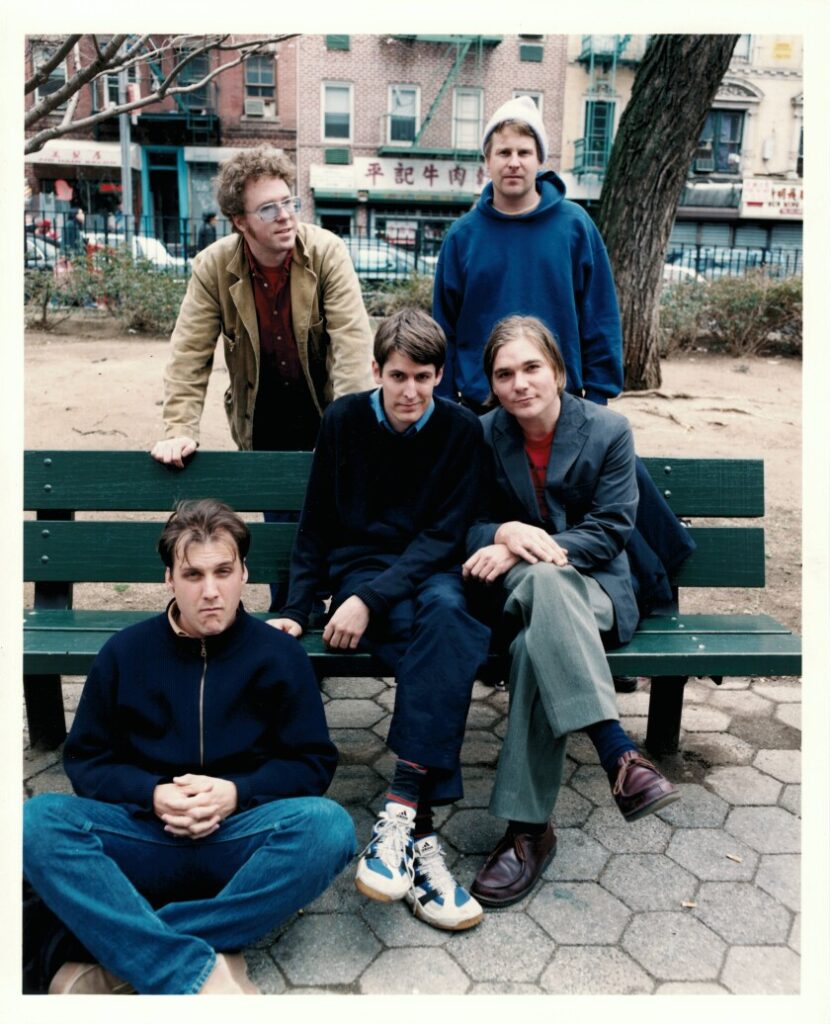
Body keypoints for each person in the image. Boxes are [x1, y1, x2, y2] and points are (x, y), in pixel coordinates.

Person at [23, 499, 355, 995]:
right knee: (35, 823)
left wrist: (236, 793)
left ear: (244, 572)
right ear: (169, 580)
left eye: (223, 571)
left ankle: (128, 955)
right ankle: (200, 964)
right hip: (145, 836)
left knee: (329, 828)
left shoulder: (280, 656)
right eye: (193, 575)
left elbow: (311, 764)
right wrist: (152, 793)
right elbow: (87, 760)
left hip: (237, 841)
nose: (211, 591)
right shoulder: (125, 653)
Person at [433, 94, 695, 674]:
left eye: (524, 151)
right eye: (502, 151)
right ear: (487, 161)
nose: (513, 162)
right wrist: (451, 400)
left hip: (566, 400)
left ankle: (621, 608)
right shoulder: (464, 236)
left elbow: (599, 310)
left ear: (540, 160)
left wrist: (596, 395)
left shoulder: (574, 226)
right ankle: (540, 632)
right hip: (486, 404)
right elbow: (444, 325)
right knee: (506, 521)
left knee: (588, 518)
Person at [269, 309, 491, 932]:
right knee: (445, 644)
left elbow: (446, 535)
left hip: (430, 573)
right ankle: (420, 842)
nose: (410, 392)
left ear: (441, 377)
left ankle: (398, 808)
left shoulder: (460, 430)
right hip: (360, 572)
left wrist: (373, 602)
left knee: (450, 616)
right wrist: (294, 610)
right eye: (397, 376)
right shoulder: (342, 420)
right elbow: (314, 524)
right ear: (375, 370)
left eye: (423, 377)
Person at [463, 316, 679, 908]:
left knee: (536, 641)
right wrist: (505, 531)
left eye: (532, 367)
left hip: (597, 592)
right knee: (540, 587)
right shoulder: (482, 435)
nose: (520, 383)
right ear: (492, 385)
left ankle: (528, 832)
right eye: (504, 374)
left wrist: (532, 546)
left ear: (557, 371)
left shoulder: (608, 429)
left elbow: (611, 529)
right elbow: (463, 522)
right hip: (513, 593)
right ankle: (618, 753)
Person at [151, 146, 373, 467]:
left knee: (335, 514)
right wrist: (180, 429)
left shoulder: (326, 252)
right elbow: (189, 353)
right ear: (240, 221)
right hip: (261, 421)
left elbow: (351, 345)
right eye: (268, 209)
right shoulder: (213, 266)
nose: (285, 215)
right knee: (277, 511)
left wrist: (345, 431)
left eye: (288, 202)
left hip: (326, 414)